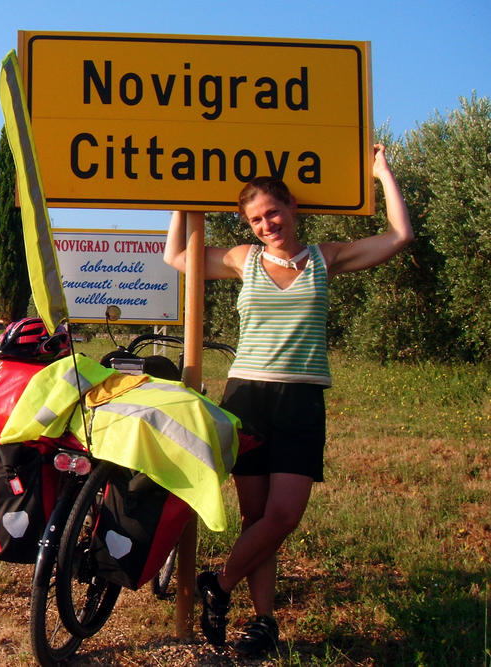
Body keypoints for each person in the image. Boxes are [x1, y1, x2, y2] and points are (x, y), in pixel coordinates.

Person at [163, 144, 413, 656]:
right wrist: (180, 199)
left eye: (273, 212)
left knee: (284, 515)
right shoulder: (243, 260)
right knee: (258, 520)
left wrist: (382, 174)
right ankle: (263, 624)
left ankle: (220, 583)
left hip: (302, 400)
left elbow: (400, 236)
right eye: (255, 219)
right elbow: (177, 258)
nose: (266, 224)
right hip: (248, 398)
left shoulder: (326, 258)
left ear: (293, 208)